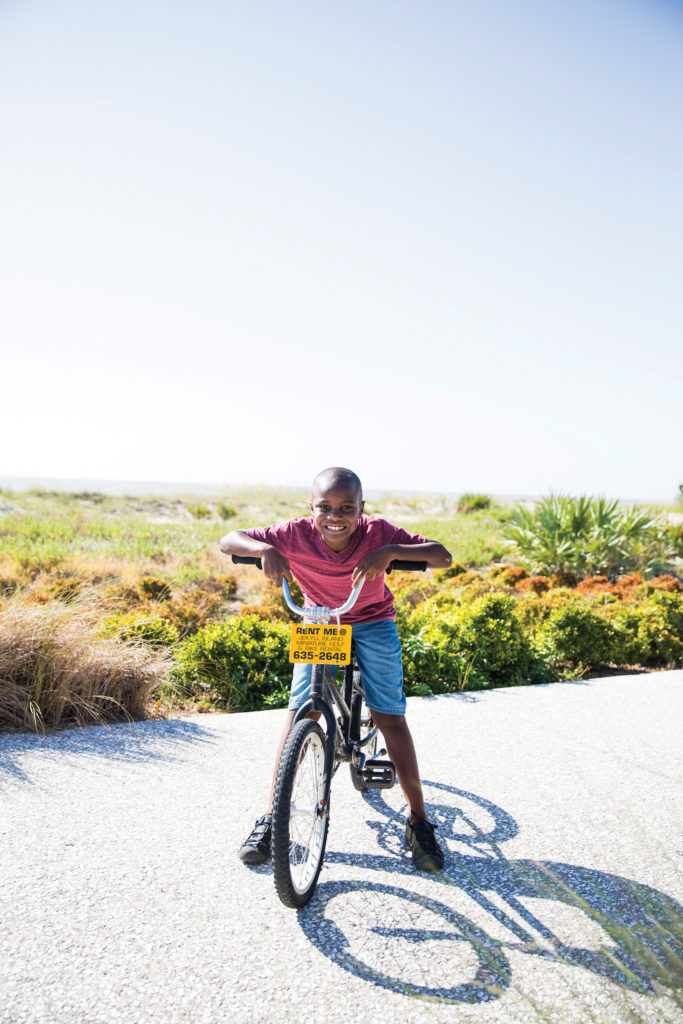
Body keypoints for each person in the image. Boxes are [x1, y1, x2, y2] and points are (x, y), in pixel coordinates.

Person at [219, 467, 453, 872]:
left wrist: (391, 551)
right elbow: (229, 540)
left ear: (362, 509)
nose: (335, 515)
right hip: (321, 620)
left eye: (347, 507)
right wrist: (263, 551)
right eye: (325, 507)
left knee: (389, 716)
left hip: (373, 621)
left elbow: (442, 556)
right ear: (310, 508)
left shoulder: (378, 533)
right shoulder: (293, 534)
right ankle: (274, 817)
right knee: (299, 716)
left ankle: (418, 819)